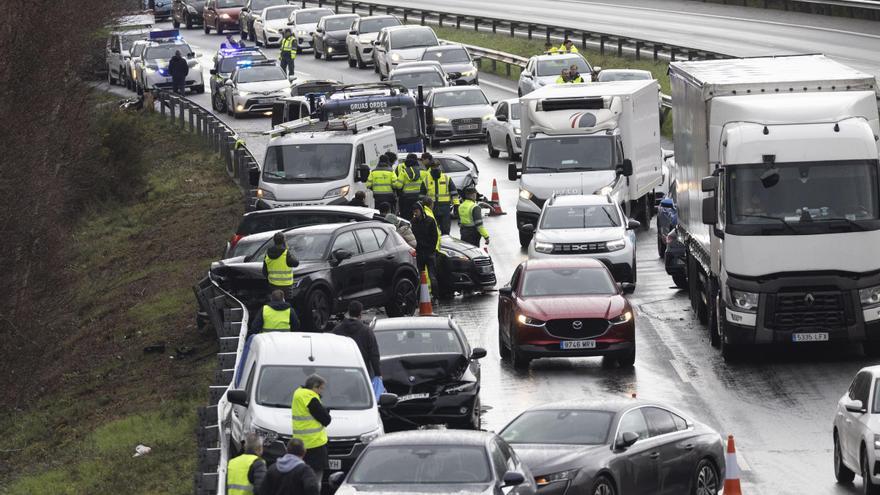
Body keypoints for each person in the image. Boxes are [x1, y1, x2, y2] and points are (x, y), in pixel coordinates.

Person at [291, 374, 331, 488]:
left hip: (300, 444)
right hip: (315, 444)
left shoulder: (298, 394)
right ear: (315, 387)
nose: (321, 392)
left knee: (301, 478)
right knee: (315, 480)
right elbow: (326, 419)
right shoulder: (310, 397)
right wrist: (326, 412)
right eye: (321, 389)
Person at [331, 301, 381, 378]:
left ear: (348, 312)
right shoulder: (367, 331)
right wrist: (378, 374)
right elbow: (374, 355)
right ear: (360, 314)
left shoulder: (337, 330)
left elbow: (331, 350)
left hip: (341, 373)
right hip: (362, 374)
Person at [411, 202, 440, 300]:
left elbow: (435, 237)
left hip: (428, 253)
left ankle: (435, 296)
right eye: (414, 212)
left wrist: (431, 250)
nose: (415, 213)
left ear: (421, 210)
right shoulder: (414, 222)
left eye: (416, 211)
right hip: (420, 253)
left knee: (432, 276)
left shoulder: (429, 221)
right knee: (420, 276)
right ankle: (422, 297)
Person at [421, 160, 458, 235]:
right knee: (433, 230)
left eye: (437, 166)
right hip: (431, 208)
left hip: (445, 208)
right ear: (431, 168)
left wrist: (456, 205)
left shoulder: (446, 178)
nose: (436, 168)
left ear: (439, 166)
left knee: (445, 230)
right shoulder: (426, 179)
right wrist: (422, 207)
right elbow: (421, 195)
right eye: (434, 167)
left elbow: (454, 193)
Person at [263, 232, 300, 298]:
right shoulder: (286, 253)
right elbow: (296, 263)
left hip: (273, 285)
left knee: (274, 305)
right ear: (284, 241)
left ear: (274, 241)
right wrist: (289, 251)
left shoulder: (267, 253)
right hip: (286, 286)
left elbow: (264, 272)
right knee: (286, 305)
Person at [396, 153, 425, 221]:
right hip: (419, 197)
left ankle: (409, 229)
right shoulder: (423, 172)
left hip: (407, 198)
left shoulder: (404, 172)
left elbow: (398, 186)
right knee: (420, 214)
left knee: (407, 216)